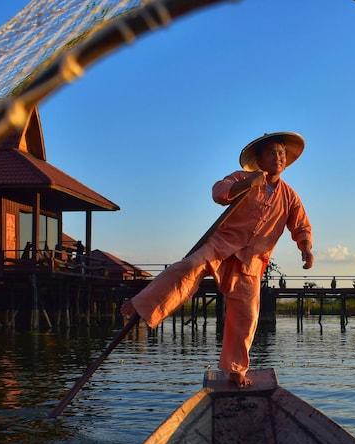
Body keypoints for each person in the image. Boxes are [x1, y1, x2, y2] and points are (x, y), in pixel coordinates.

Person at [121, 132, 314, 387]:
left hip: (252, 260)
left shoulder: (290, 196)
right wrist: (245, 185)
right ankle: (139, 305)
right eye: (272, 153)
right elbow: (218, 192)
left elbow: (301, 227)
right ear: (260, 159)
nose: (278, 157)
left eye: (281, 153)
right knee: (187, 267)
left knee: (246, 314)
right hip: (222, 245)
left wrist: (306, 248)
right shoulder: (242, 177)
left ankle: (236, 369)